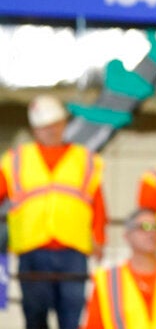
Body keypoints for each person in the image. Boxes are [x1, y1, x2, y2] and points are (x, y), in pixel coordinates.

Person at [0, 94, 106, 329]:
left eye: (54, 124)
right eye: (44, 127)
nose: (50, 131)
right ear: (34, 129)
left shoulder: (85, 159)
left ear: (64, 124)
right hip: (32, 250)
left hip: (73, 251)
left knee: (71, 317)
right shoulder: (15, 159)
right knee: (35, 317)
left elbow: (97, 202)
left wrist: (99, 237)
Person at [81, 208, 156, 329]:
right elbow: (94, 325)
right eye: (144, 227)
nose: (151, 233)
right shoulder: (108, 280)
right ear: (127, 235)